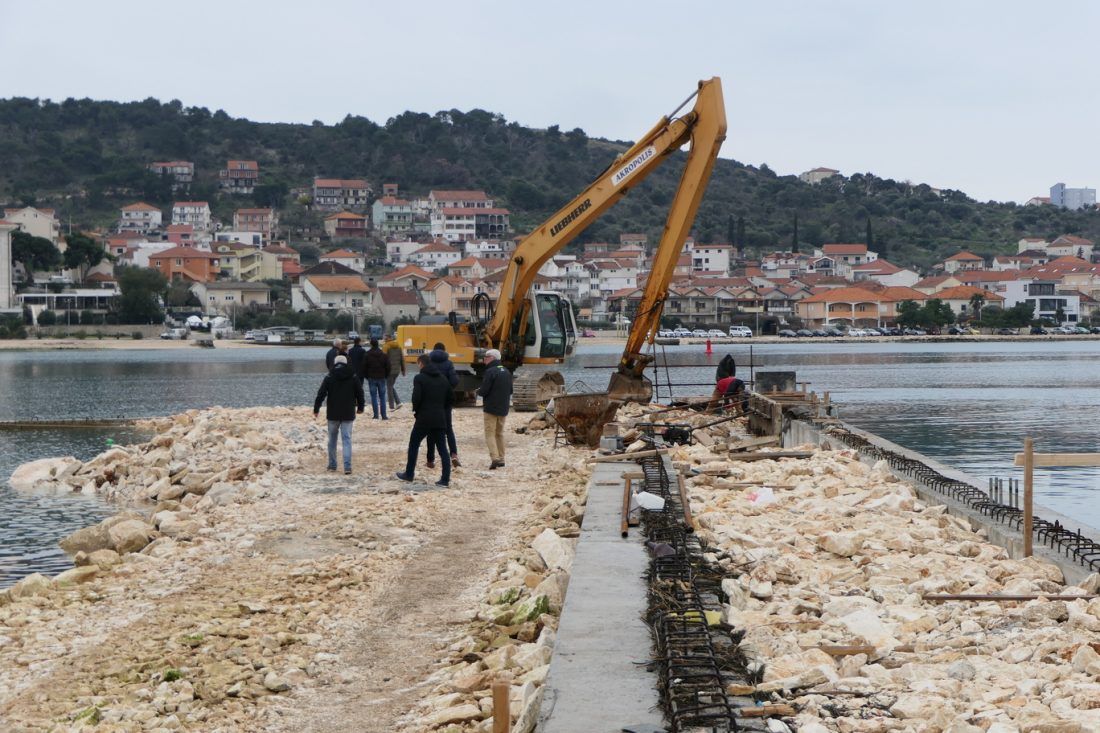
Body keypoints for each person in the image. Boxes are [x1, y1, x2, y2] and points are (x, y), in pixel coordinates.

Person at [395, 354, 453, 487]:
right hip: (439, 418)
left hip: (424, 418)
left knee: (414, 444)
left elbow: (416, 398)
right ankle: (445, 479)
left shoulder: (419, 378)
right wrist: (441, 409)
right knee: (443, 449)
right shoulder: (443, 379)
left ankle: (409, 474)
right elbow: (450, 398)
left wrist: (416, 411)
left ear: (421, 363)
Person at [313, 354, 365, 474]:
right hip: (348, 412)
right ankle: (347, 467)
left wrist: (316, 409)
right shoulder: (353, 376)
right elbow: (360, 393)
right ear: (346, 363)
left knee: (332, 440)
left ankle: (332, 465)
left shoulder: (329, 376)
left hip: (333, 413)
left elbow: (321, 394)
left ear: (335, 363)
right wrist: (360, 407)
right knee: (346, 439)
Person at [426, 341, 461, 468]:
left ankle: (430, 460)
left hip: (430, 402)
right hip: (445, 401)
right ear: (444, 350)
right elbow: (454, 380)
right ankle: (454, 454)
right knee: (448, 429)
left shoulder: (428, 363)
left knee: (431, 431)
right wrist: (448, 389)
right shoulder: (448, 363)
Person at [477, 348, 512, 469]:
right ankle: (502, 459)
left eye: (486, 356)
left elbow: (484, 390)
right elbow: (510, 390)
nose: (484, 359)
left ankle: (495, 458)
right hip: (503, 408)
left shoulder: (490, 372)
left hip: (491, 408)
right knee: (499, 434)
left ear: (492, 358)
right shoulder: (506, 371)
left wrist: (478, 392)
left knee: (490, 434)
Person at [362, 337, 390, 419]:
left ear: (371, 344)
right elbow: (388, 367)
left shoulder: (367, 355)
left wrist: (367, 376)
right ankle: (384, 416)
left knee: (373, 397)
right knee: (382, 397)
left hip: (371, 377)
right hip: (381, 377)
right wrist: (386, 376)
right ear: (378, 344)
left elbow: (363, 368)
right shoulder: (384, 355)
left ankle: (376, 415)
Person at [384, 335, 405, 411]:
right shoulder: (398, 346)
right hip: (397, 370)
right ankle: (398, 402)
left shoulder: (386, 346)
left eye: (385, 338)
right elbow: (402, 359)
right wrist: (403, 370)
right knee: (391, 386)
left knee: (389, 387)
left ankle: (391, 406)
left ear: (387, 339)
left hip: (389, 370)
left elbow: (384, 359)